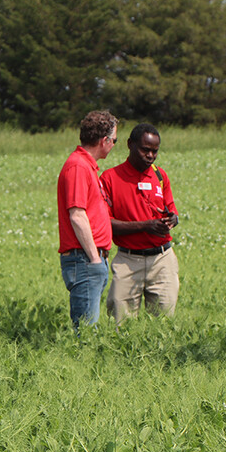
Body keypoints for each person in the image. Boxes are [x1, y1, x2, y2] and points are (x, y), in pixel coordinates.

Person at [100, 123, 180, 324]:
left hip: (162, 260)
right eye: (145, 150)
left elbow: (172, 210)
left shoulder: (160, 176)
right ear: (130, 145)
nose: (150, 155)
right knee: (120, 322)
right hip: (128, 260)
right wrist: (145, 226)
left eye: (155, 151)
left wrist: (172, 219)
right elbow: (105, 223)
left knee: (164, 323)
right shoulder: (109, 178)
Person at [57, 110, 118, 329]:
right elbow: (77, 215)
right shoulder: (78, 167)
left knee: (89, 326)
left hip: (89, 259)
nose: (113, 145)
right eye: (114, 140)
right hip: (84, 259)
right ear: (104, 141)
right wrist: (94, 259)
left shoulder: (87, 166)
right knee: (85, 330)